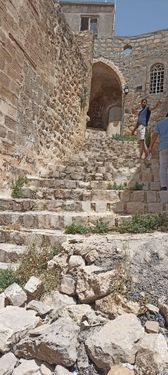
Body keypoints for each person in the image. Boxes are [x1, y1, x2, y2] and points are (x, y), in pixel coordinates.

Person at [148, 113, 168, 191]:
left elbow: (154, 136)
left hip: (163, 148)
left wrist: (150, 147)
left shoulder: (159, 123)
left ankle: (163, 186)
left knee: (163, 167)